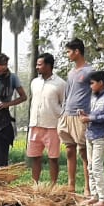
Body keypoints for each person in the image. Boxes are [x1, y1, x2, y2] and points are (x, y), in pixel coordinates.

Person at [60, 39, 95, 195]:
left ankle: (88, 187)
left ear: (77, 51)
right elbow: (67, 93)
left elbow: (95, 93)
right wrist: (63, 112)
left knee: (84, 152)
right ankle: (71, 185)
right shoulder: (71, 72)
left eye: (69, 51)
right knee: (69, 150)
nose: (68, 55)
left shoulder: (90, 71)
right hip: (67, 114)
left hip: (81, 115)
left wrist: (90, 114)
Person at [27, 53, 67, 184]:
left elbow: (64, 104)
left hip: (52, 126)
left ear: (48, 66)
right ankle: (35, 184)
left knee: (53, 158)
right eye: (37, 64)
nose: (37, 67)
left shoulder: (60, 84)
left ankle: (53, 185)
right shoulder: (34, 82)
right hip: (35, 124)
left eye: (40, 64)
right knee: (35, 156)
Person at [82, 70, 104, 206]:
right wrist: (86, 115)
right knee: (90, 167)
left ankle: (103, 198)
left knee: (96, 166)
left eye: (92, 83)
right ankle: (94, 195)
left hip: (100, 135)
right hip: (90, 133)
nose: (90, 86)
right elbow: (94, 113)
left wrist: (90, 118)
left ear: (101, 83)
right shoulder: (93, 97)